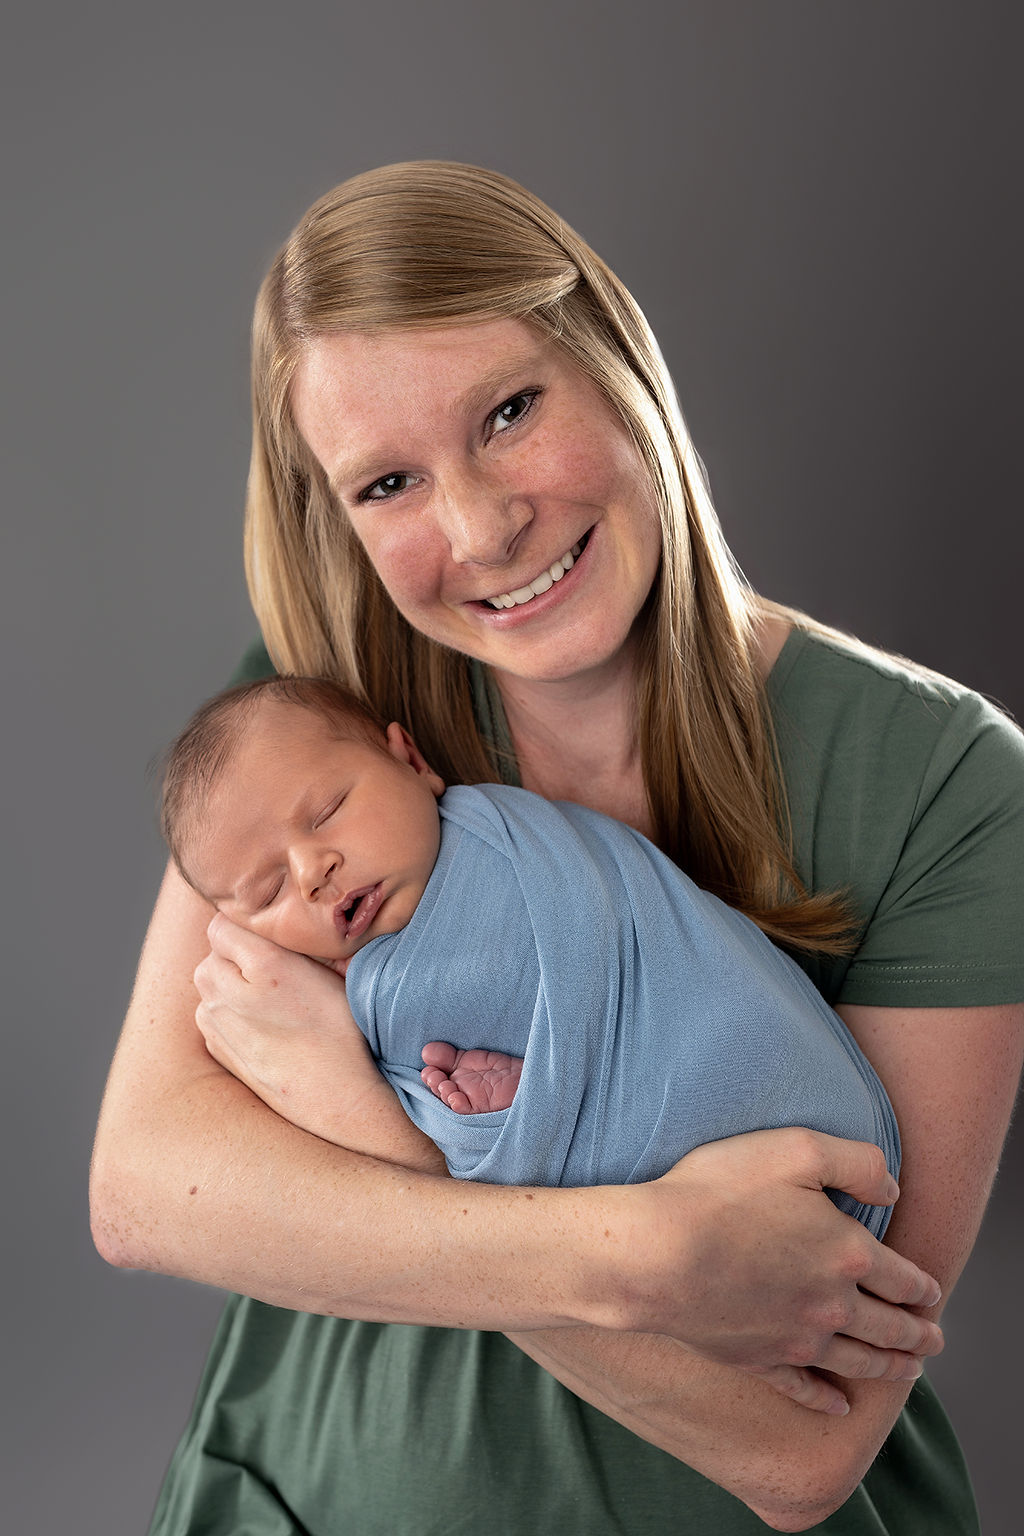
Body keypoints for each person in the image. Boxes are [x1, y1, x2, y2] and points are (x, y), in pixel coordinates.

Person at [89, 161, 1024, 1534]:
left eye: (510, 412)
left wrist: (359, 1134)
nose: (477, 528)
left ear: (614, 360)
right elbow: (148, 1188)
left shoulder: (950, 786)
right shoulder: (314, 729)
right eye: (388, 482)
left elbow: (799, 1446)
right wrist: (652, 1253)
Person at [158, 673, 899, 1212]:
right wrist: (499, 1118)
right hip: (676, 1201)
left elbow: (636, 954)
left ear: (412, 762)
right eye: (268, 891)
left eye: (329, 812)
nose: (312, 871)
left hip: (749, 1064)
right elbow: (450, 1132)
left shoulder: (506, 846)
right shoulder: (360, 995)